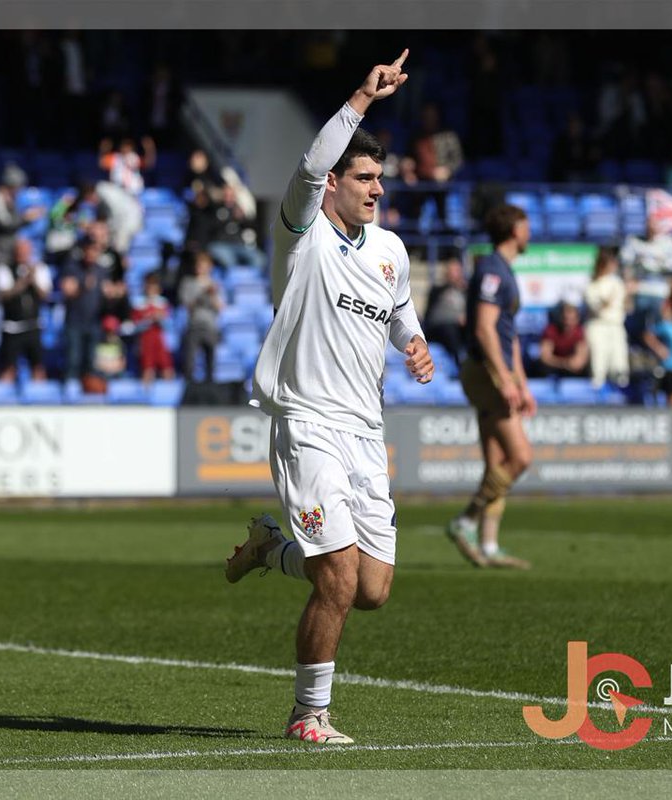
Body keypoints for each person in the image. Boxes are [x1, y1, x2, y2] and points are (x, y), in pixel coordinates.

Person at [222, 52, 433, 746]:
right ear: (333, 184)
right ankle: (308, 715)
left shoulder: (391, 251)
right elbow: (308, 166)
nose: (376, 189)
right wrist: (361, 100)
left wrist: (416, 343)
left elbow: (400, 313)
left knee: (370, 589)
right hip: (306, 423)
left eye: (381, 178)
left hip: (365, 433)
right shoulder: (301, 236)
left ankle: (269, 547)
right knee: (337, 578)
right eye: (364, 178)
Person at [446, 204, 537, 570]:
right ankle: (465, 521)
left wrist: (522, 383)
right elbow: (484, 330)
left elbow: (508, 336)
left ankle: (488, 544)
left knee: (496, 464)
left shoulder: (502, 271)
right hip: (485, 372)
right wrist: (503, 379)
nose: (530, 231)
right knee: (521, 458)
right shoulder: (492, 271)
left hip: (495, 372)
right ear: (514, 229)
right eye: (526, 225)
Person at [0, 238, 52, 383]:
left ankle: (39, 398)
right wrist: (22, 282)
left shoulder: (39, 269)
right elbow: (4, 294)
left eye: (26, 251)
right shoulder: (4, 269)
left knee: (38, 368)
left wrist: (33, 279)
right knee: (9, 368)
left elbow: (45, 295)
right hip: (12, 327)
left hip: (33, 326)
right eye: (20, 251)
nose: (23, 254)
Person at [620, 215, 672, 335]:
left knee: (659, 326)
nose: (651, 228)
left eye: (654, 224)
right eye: (649, 224)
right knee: (639, 325)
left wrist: (661, 263)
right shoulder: (634, 242)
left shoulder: (667, 243)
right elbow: (625, 263)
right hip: (641, 289)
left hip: (660, 291)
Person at [61, 234, 106, 380]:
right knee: (74, 361)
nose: (92, 253)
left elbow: (106, 293)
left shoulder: (101, 270)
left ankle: (89, 397)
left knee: (91, 363)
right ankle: (70, 393)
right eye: (89, 249)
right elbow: (67, 290)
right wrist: (83, 287)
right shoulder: (72, 267)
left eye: (95, 250)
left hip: (94, 322)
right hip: (75, 322)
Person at [584, 248, 629, 388]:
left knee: (619, 361)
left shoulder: (617, 282)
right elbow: (597, 306)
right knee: (599, 360)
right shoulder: (592, 285)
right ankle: (597, 392)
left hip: (616, 325)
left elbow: (626, 305)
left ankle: (621, 393)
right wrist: (609, 299)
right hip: (598, 325)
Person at [177, 250, 224, 383]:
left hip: (210, 326)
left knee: (210, 361)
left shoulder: (214, 284)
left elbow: (220, 307)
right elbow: (187, 305)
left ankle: (210, 387)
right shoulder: (188, 283)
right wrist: (202, 293)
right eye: (199, 265)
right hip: (194, 325)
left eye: (203, 265)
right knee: (190, 360)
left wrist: (212, 294)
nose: (200, 268)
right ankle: (189, 387)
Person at [0, 164, 44, 265]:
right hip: (0, 251)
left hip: (15, 250)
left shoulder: (12, 200)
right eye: (17, 187)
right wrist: (25, 218)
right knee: (3, 278)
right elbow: (4, 223)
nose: (18, 190)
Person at [422, 258, 468, 366]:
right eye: (452, 271)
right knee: (449, 331)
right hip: (440, 327)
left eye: (457, 271)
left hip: (460, 326)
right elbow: (429, 315)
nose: (454, 274)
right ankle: (459, 365)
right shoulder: (438, 290)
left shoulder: (466, 291)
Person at [130, 272, 175, 383]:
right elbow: (134, 326)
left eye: (153, 285)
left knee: (167, 368)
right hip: (145, 340)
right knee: (147, 369)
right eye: (148, 285)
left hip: (160, 340)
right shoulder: (138, 303)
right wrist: (148, 320)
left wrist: (161, 319)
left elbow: (170, 325)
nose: (151, 288)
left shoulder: (163, 303)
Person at [536, 301, 589, 378]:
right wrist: (565, 363)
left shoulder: (579, 332)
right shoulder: (551, 330)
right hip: (553, 368)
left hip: (571, 371)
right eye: (565, 319)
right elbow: (545, 357)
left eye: (572, 319)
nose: (568, 323)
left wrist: (570, 364)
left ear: (577, 320)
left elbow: (579, 361)